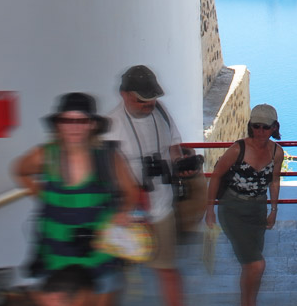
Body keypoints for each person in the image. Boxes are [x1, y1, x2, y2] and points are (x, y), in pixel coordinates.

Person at [12, 93, 138, 306]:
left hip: (100, 257)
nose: (74, 127)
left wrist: (123, 212)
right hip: (55, 261)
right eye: (67, 120)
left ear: (91, 125)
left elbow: (131, 191)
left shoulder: (107, 157)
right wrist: (42, 196)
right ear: (58, 125)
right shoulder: (44, 156)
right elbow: (19, 171)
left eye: (81, 120)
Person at [103, 65, 193, 306]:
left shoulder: (161, 112)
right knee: (114, 278)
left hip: (162, 209)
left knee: (167, 270)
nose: (149, 104)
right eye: (142, 100)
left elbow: (174, 145)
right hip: (128, 216)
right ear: (125, 95)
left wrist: (181, 162)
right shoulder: (111, 126)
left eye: (152, 99)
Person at [205, 104, 285, 306]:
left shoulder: (277, 153)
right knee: (257, 264)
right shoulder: (237, 149)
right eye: (256, 126)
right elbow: (216, 177)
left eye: (265, 127)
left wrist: (274, 210)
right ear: (251, 126)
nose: (260, 131)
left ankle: (248, 302)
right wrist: (209, 210)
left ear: (274, 127)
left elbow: (274, 181)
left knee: (250, 265)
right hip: (233, 209)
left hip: (258, 210)